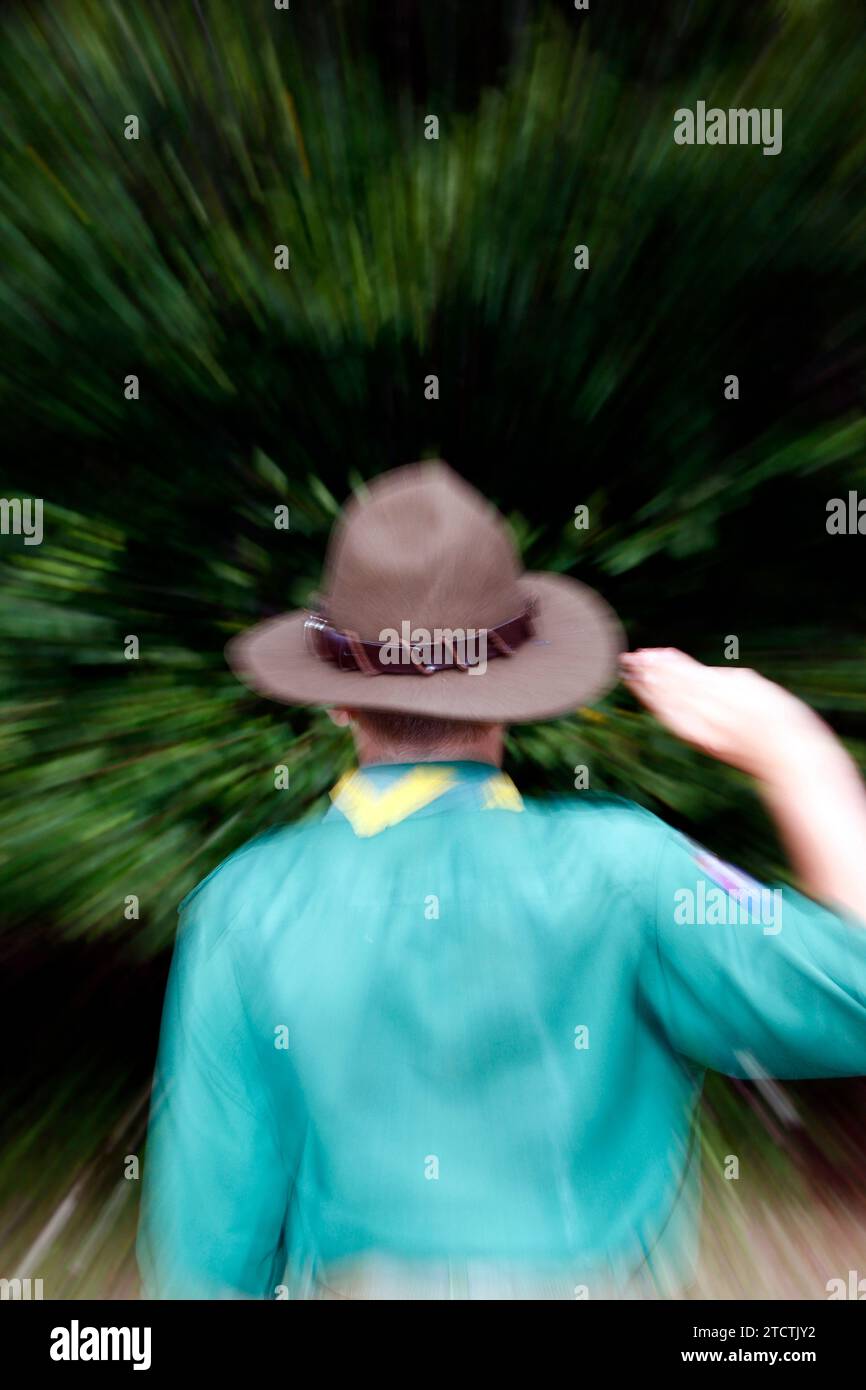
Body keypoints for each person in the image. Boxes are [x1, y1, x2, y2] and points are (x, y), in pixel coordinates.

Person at [136, 461, 866, 1300]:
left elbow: (207, 1257)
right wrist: (792, 749)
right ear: (513, 695)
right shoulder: (627, 873)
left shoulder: (241, 908)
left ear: (336, 700)